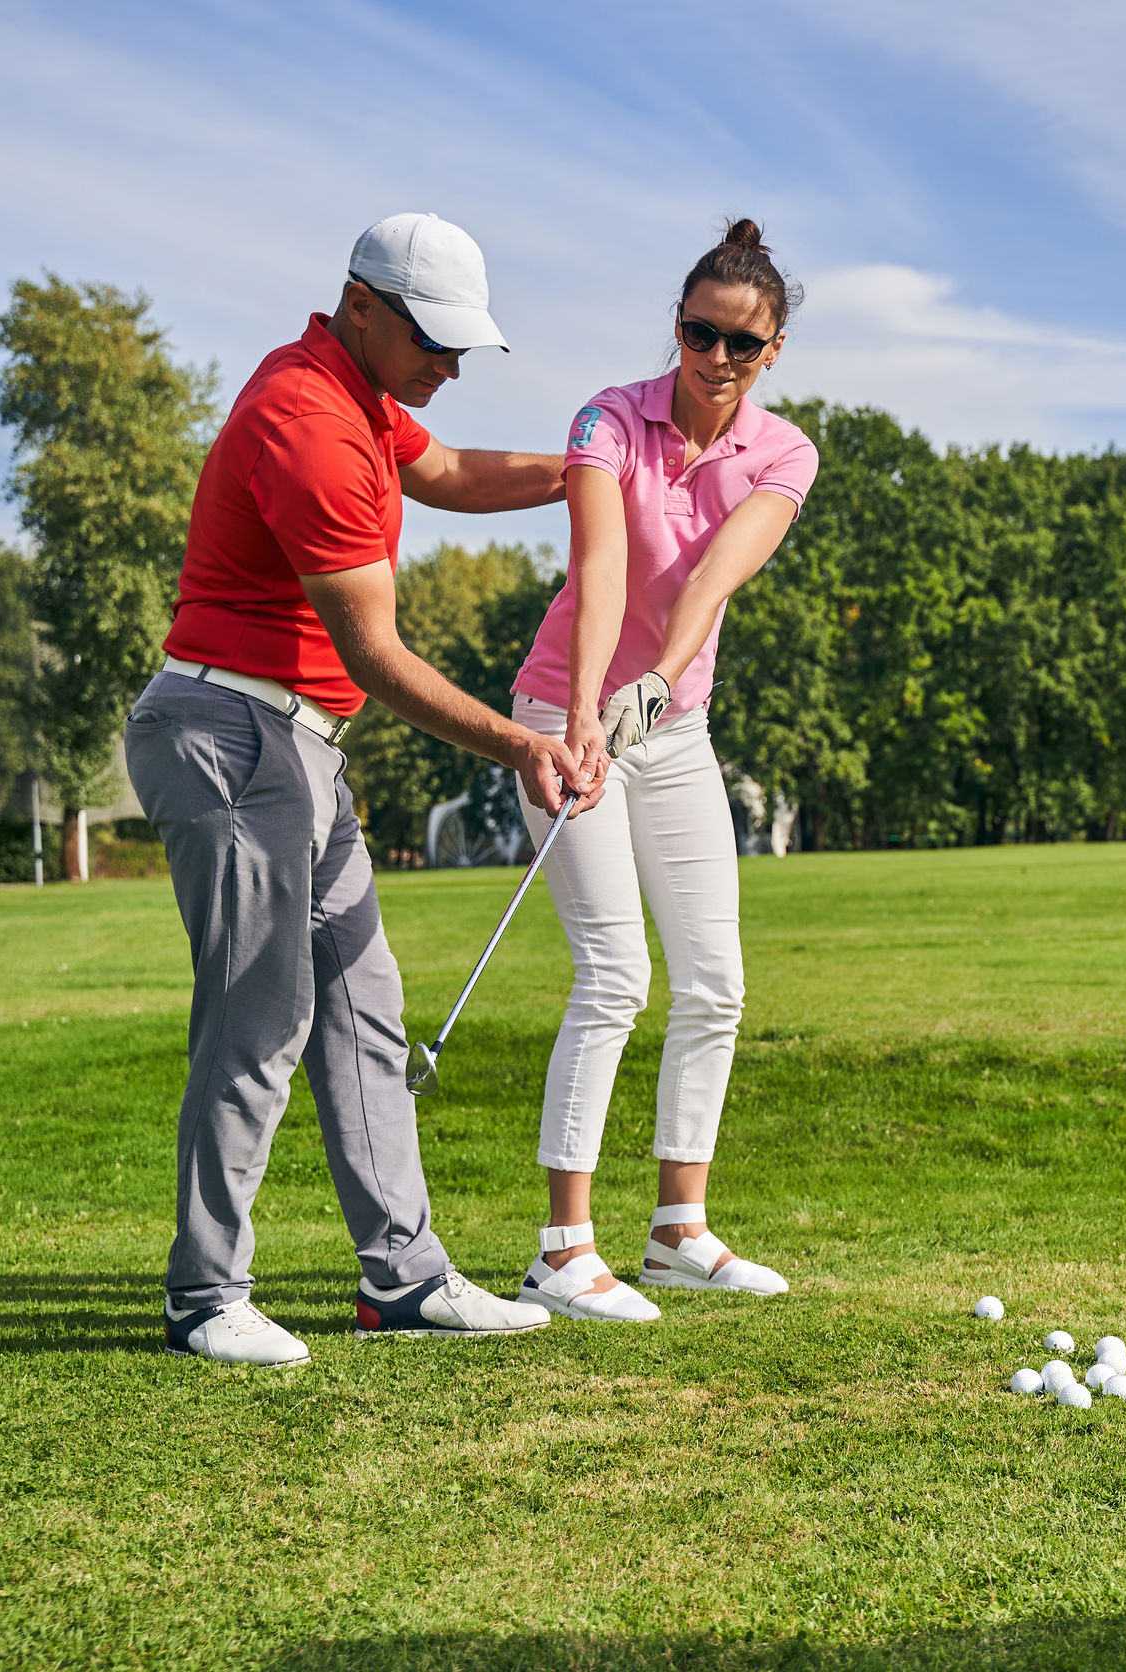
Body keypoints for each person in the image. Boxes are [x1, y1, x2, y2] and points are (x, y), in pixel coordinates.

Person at [127, 212, 600, 1366]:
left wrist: (587, 477)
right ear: (362, 307)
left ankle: (404, 1276)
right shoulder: (307, 422)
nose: (447, 366)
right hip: (231, 731)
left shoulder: (363, 399)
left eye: (460, 349)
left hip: (296, 741)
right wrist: (524, 746)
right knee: (260, 1014)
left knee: (362, 1005)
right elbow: (381, 661)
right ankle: (206, 1295)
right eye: (433, 342)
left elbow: (445, 472)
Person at [505, 220, 818, 1320]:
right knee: (613, 974)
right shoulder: (607, 417)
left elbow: (713, 579)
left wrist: (651, 690)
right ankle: (561, 1247)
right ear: (675, 326)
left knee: (716, 984)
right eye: (701, 332)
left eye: (743, 344)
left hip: (674, 727)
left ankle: (679, 1229)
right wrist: (588, 710)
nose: (717, 357)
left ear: (772, 351)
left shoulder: (783, 453)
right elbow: (598, 566)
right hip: (559, 712)